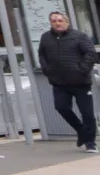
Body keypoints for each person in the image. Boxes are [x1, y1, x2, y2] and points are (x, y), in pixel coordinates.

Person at [35, 10, 97, 151]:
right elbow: (42, 55)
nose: (57, 23)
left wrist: (82, 70)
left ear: (66, 22)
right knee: (61, 107)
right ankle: (81, 131)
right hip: (59, 82)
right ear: (51, 23)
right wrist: (47, 70)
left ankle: (90, 142)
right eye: (54, 21)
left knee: (87, 113)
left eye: (60, 20)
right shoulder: (45, 38)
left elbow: (90, 53)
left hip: (80, 82)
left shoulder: (79, 36)